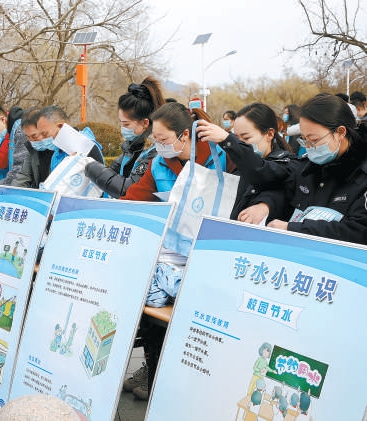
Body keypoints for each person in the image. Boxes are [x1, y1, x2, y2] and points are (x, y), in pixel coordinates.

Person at [120, 102, 226, 400]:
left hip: (208, 259)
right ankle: (156, 379)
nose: (158, 145)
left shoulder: (219, 159)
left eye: (163, 140)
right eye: (155, 139)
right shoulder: (158, 164)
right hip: (171, 258)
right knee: (153, 319)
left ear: (184, 136)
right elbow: (134, 197)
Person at [202, 93, 367, 244]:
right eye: (304, 140)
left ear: (340, 132)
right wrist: (265, 205)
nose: (309, 147)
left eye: (314, 140)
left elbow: (358, 231)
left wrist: (292, 229)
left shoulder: (361, 174)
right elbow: (284, 188)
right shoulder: (310, 167)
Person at [196, 103, 295, 222]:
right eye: (237, 138)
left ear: (269, 134)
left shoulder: (286, 163)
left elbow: (260, 172)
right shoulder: (240, 165)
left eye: (246, 138)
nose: (241, 143)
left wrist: (265, 205)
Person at [85, 76, 164, 198]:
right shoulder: (131, 149)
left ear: (145, 123)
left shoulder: (156, 153)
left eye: (126, 124)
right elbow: (111, 174)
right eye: (121, 123)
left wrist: (90, 166)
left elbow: (127, 189)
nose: (122, 128)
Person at [11, 105, 104, 189]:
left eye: (44, 134)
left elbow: (97, 186)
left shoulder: (85, 148)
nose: (43, 139)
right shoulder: (57, 152)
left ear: (60, 126)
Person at [0, 105, 29, 186]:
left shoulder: (20, 131)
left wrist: (3, 187)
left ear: (3, 120)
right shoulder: (13, 129)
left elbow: (19, 165)